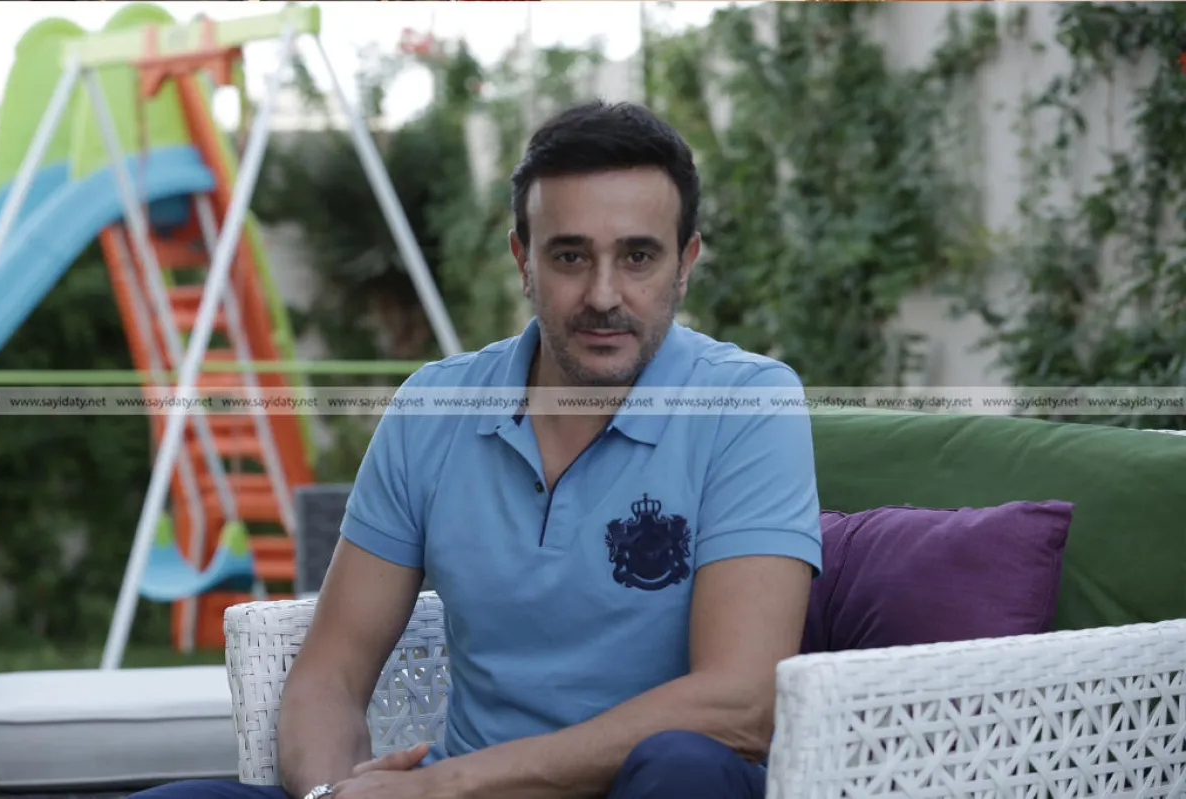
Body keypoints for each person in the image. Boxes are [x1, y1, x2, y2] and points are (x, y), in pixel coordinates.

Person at [133, 100, 822, 799]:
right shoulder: (435, 408)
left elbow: (740, 704)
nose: (603, 294)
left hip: (637, 791)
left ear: (685, 264)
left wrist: (448, 785)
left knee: (684, 767)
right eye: (570, 256)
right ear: (523, 260)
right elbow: (330, 674)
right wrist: (331, 795)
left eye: (637, 257)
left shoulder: (746, 404)